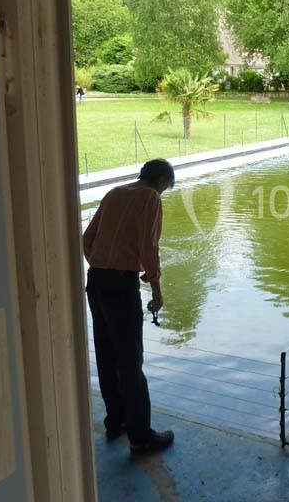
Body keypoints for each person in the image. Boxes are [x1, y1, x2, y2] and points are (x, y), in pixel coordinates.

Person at [83, 159, 176, 455]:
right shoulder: (149, 197)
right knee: (130, 362)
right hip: (121, 287)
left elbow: (88, 238)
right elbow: (148, 245)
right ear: (161, 180)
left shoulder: (114, 192)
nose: (162, 194)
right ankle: (141, 437)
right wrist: (157, 290)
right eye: (165, 188)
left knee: (107, 355)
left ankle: (116, 423)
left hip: (96, 282)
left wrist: (101, 264)